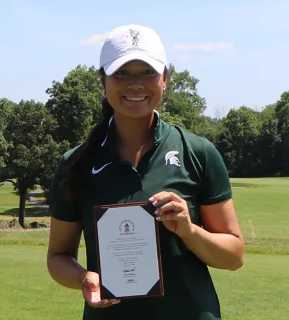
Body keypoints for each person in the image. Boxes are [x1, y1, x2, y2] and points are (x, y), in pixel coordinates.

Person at [46, 24, 244, 320]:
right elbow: (58, 257)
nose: (136, 85)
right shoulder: (76, 163)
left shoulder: (198, 152)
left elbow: (233, 256)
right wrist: (82, 279)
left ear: (165, 79)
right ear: (103, 80)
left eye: (148, 72)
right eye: (122, 73)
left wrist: (189, 231)